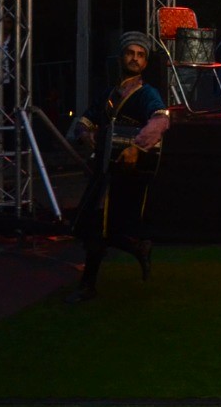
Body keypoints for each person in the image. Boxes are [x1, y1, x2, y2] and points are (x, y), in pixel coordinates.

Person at [66, 32, 170, 304]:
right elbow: (86, 120)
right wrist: (85, 133)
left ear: (145, 62)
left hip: (127, 173)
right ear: (121, 57)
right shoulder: (109, 93)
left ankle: (89, 285)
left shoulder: (147, 93)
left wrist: (137, 147)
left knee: (101, 226)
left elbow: (160, 120)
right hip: (104, 170)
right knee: (95, 226)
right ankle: (137, 248)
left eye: (140, 55)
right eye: (130, 53)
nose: (135, 59)